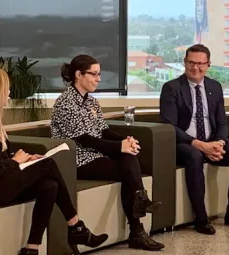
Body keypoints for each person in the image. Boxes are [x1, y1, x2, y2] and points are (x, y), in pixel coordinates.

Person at [0, 67, 108, 255]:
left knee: (49, 185)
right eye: (6, 89)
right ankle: (76, 226)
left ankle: (32, 248)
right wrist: (15, 162)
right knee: (48, 165)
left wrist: (20, 159)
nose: (9, 93)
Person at [50, 55, 165, 251]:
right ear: (78, 74)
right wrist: (120, 147)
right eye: (93, 74)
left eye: (99, 74)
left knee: (128, 158)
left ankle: (139, 212)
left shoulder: (92, 102)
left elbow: (104, 131)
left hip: (96, 155)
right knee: (128, 166)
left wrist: (124, 140)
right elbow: (84, 139)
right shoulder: (65, 102)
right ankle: (138, 223)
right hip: (78, 160)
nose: (98, 79)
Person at [159, 44, 229, 235]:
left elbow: (222, 122)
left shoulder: (214, 87)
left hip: (211, 142)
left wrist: (219, 143)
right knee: (194, 155)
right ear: (184, 63)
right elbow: (170, 127)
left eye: (201, 64)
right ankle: (201, 220)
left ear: (208, 64)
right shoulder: (171, 88)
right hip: (183, 144)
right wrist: (201, 145)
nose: (196, 68)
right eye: (192, 63)